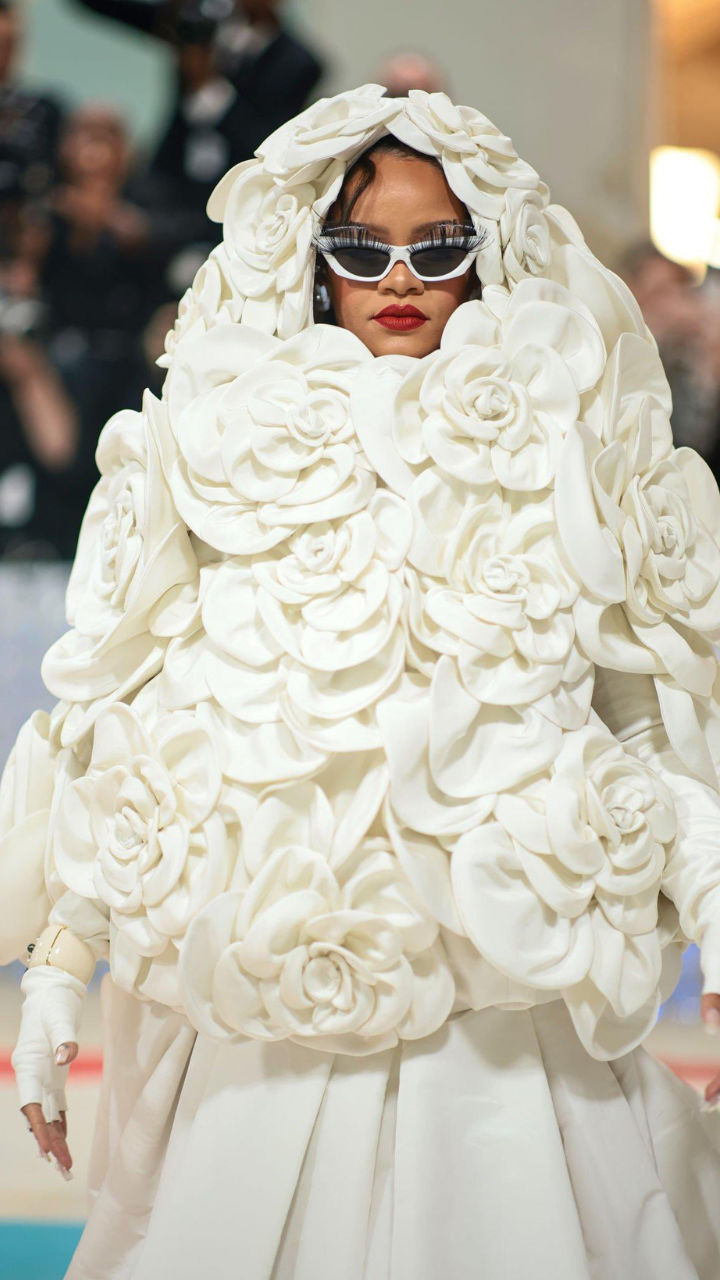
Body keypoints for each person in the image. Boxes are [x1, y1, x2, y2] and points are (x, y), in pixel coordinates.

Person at [5, 85, 720, 1279]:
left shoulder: (562, 453)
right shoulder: (230, 448)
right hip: (282, 1005)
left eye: (440, 247)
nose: (400, 276)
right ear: (312, 258)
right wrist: (56, 977)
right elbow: (151, 732)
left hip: (508, 1013)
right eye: (361, 246)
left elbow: (636, 721)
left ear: (485, 258)